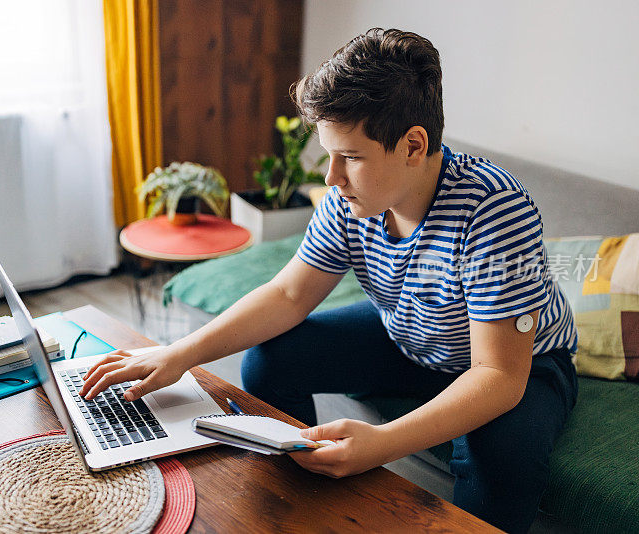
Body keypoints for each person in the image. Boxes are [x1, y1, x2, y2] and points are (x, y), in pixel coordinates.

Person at [80, 28, 578, 533]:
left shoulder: (496, 209)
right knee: (272, 360)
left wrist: (381, 443)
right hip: (411, 333)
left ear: (413, 145)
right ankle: (311, 491)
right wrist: (178, 354)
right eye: (329, 154)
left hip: (519, 365)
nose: (331, 178)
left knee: (500, 454)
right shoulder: (349, 200)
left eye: (352, 157)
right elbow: (289, 293)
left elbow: (498, 377)